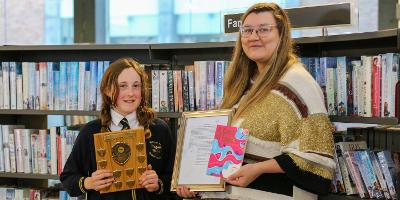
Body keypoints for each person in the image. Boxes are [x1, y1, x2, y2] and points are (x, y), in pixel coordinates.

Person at [177, 2, 335, 200]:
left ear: (281, 35)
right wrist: (199, 184)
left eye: (263, 30)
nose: (253, 37)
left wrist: (258, 169)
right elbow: (225, 156)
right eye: (248, 30)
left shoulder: (297, 82)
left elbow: (315, 154)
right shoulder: (241, 85)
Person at [60, 58, 175, 200]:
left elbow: (174, 179)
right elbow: (68, 179)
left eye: (136, 86)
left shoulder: (159, 129)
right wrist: (89, 182)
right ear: (108, 90)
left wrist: (158, 184)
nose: (130, 93)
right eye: (122, 86)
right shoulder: (91, 131)